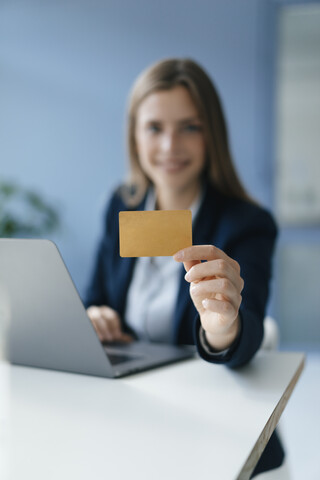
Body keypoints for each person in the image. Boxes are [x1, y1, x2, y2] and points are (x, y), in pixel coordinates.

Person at [84, 58, 283, 476]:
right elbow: (96, 297)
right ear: (135, 138)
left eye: (189, 127)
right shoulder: (120, 205)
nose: (170, 146)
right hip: (130, 424)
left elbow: (247, 331)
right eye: (155, 128)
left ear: (212, 135)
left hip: (218, 435)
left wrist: (221, 325)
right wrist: (94, 316)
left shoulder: (247, 223)